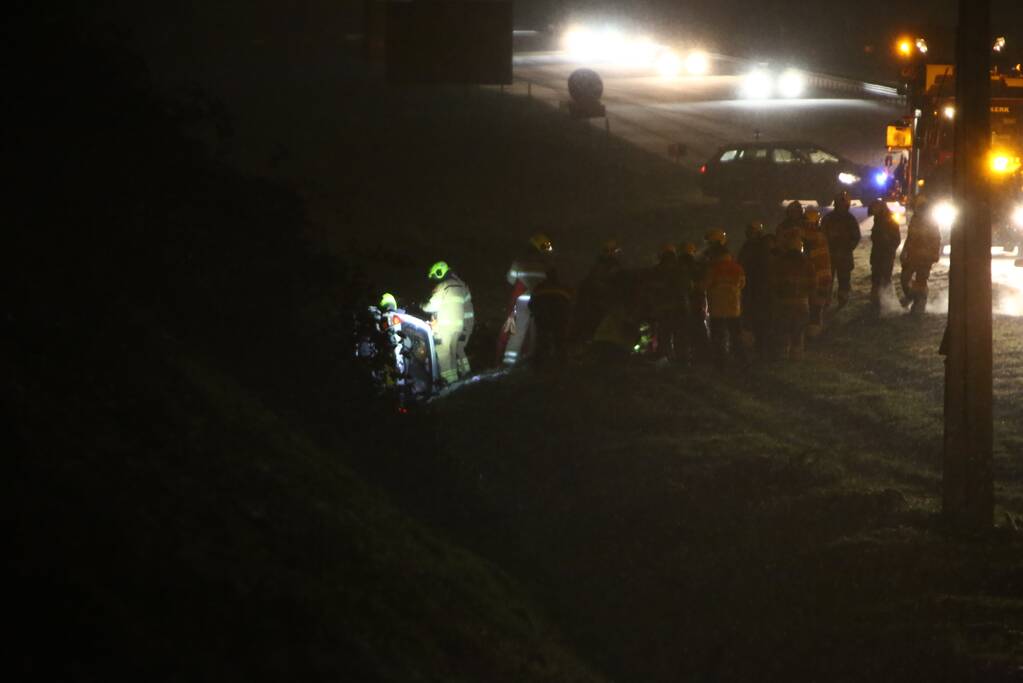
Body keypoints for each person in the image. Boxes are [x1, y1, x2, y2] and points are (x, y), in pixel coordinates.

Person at [497, 233, 553, 366]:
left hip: (523, 301)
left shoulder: (519, 262)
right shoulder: (546, 265)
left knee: (518, 332)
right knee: (536, 331)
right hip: (541, 301)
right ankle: (532, 360)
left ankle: (508, 362)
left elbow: (510, 280)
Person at [423, 261, 474, 384]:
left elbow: (430, 307)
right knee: (456, 353)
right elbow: (468, 310)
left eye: (435, 277)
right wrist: (467, 328)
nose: (435, 281)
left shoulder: (443, 286)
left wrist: (422, 305)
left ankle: (450, 384)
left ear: (440, 273)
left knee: (445, 356)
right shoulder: (462, 286)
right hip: (459, 328)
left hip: (444, 328)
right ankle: (466, 376)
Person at [701, 229, 747, 368]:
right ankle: (741, 359)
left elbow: (704, 285)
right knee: (736, 336)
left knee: (718, 336)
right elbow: (742, 284)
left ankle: (721, 362)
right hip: (734, 307)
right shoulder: (737, 267)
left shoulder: (713, 268)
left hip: (716, 308)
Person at [771, 231, 817, 360]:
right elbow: (813, 284)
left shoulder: (779, 263)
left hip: (783, 302)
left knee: (784, 328)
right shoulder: (808, 264)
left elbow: (774, 283)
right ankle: (796, 355)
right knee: (798, 329)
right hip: (802, 302)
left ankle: (783, 354)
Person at [646, 244, 693, 363]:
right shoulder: (681, 268)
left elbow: (651, 288)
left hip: (664, 308)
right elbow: (688, 287)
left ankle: (664, 358)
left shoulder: (657, 270)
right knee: (680, 336)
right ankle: (682, 360)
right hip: (680, 307)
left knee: (664, 335)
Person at [737, 221, 775, 359]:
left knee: (761, 319)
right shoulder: (750, 247)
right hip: (753, 289)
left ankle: (762, 347)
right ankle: (758, 347)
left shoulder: (760, 247)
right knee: (755, 318)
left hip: (760, 288)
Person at [573, 239, 623, 342]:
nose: (615, 254)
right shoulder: (602, 267)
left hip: (604, 304)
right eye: (613, 251)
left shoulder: (610, 266)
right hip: (600, 304)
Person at [899, 194, 942, 314]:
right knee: (904, 278)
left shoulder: (930, 221)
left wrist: (933, 254)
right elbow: (910, 237)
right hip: (913, 255)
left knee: (921, 281)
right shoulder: (915, 219)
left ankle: (919, 305)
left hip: (925, 257)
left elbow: (936, 239)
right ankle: (912, 296)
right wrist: (905, 250)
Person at [820, 191, 862, 309]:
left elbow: (856, 237)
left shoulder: (849, 219)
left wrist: (847, 248)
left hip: (842, 256)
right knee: (828, 281)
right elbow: (822, 236)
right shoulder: (829, 219)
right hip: (832, 256)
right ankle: (826, 303)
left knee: (843, 282)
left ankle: (841, 302)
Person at [529, 268, 573, 367]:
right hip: (559, 318)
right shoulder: (563, 288)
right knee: (560, 341)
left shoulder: (539, 287)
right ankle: (562, 364)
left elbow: (531, 304)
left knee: (542, 341)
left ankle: (539, 365)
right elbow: (570, 303)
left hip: (542, 318)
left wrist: (535, 314)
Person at [801, 206, 832, 336]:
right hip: (822, 278)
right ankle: (814, 329)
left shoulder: (809, 238)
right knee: (816, 308)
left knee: (813, 308)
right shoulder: (821, 237)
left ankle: (811, 332)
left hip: (814, 278)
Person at [868, 199, 902, 311]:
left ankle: (887, 303)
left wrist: (889, 249)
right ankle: (876, 302)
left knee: (885, 278)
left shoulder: (890, 219)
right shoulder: (878, 219)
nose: (873, 211)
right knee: (876, 277)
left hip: (885, 254)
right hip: (878, 254)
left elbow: (896, 239)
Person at [680, 241, 710, 360]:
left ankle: (690, 354)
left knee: (688, 328)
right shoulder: (697, 265)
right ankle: (703, 353)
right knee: (699, 327)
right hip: (697, 300)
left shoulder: (681, 265)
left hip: (686, 301)